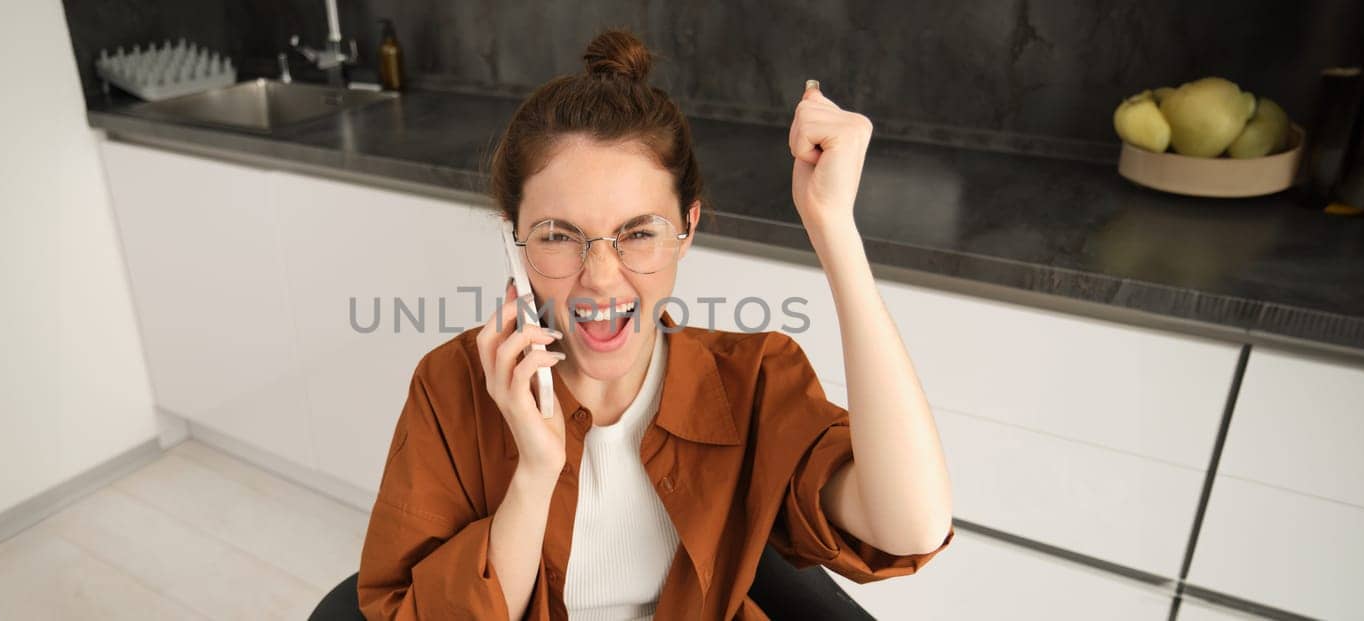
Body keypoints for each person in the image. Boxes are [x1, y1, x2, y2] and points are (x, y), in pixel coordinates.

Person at [357, 28, 954, 621]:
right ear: (514, 241)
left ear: (686, 228)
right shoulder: (451, 388)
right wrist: (537, 471)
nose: (601, 278)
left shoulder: (751, 382)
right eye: (559, 236)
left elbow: (909, 526)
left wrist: (834, 229)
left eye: (638, 232)